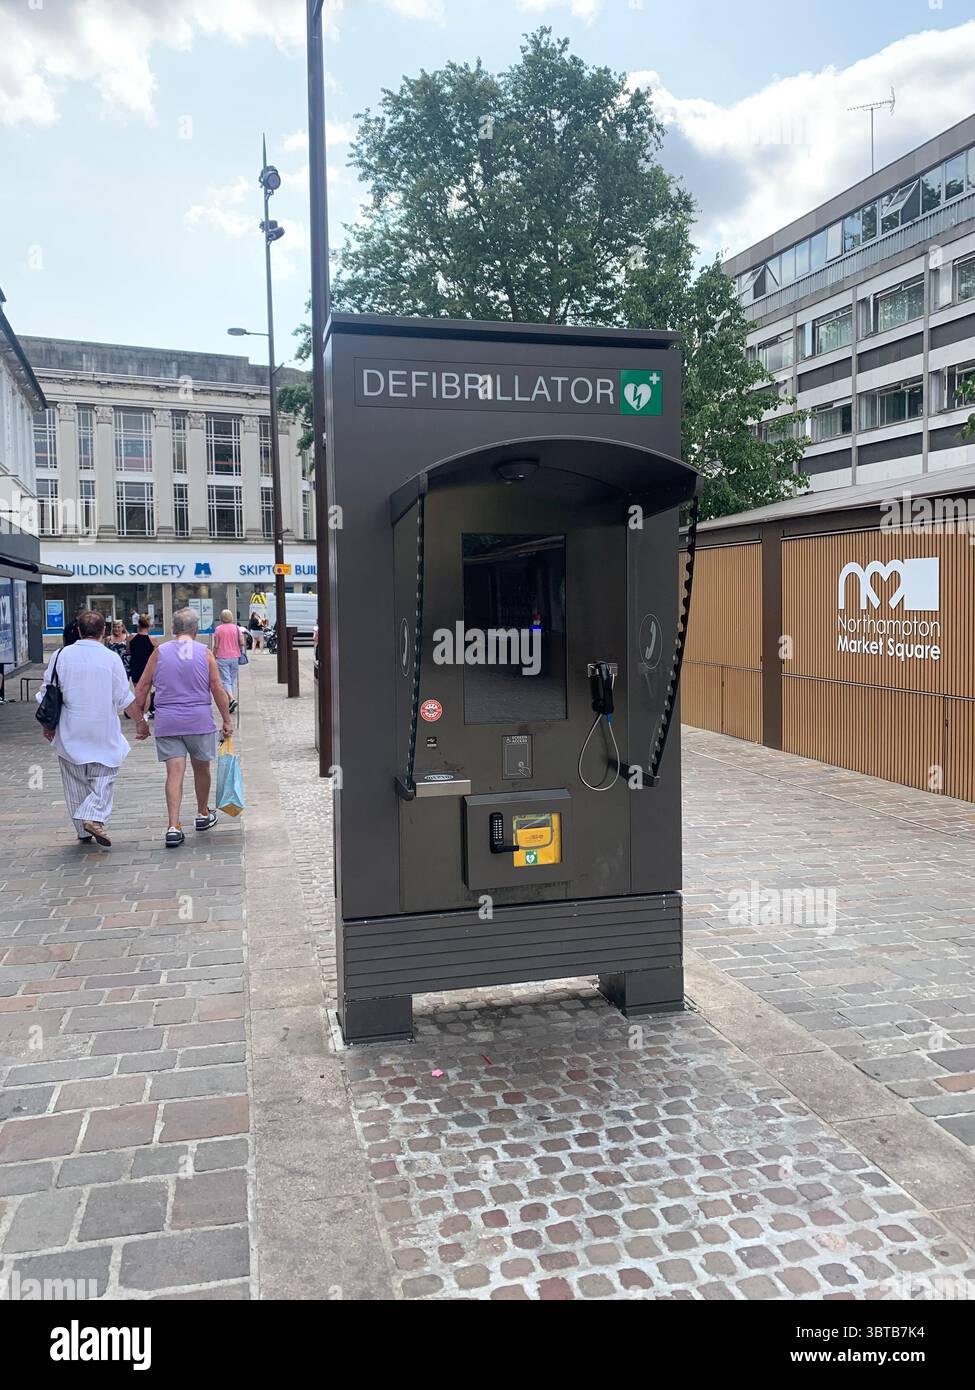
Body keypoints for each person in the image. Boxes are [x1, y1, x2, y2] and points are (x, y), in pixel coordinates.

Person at [36, 609, 148, 847]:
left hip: (69, 728)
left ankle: (83, 830)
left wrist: (48, 726)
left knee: (74, 780)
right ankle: (94, 817)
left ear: (77, 630)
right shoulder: (110, 658)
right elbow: (124, 698)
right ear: (103, 631)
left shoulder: (60, 655)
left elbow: (47, 693)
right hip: (102, 729)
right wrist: (140, 721)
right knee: (105, 776)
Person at [133, 607, 233, 849]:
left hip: (168, 722)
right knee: (202, 769)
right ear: (196, 631)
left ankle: (173, 826)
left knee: (174, 774)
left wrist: (140, 721)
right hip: (198, 720)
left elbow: (142, 687)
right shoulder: (205, 653)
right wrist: (227, 720)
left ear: (173, 630)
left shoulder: (159, 652)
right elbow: (217, 688)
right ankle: (202, 813)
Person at [213, 608, 245, 714]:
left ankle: (231, 699)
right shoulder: (236, 628)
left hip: (222, 657)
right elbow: (242, 642)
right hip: (235, 657)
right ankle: (230, 701)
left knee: (225, 680)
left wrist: (213, 655)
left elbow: (216, 645)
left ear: (221, 618)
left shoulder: (218, 629)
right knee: (231, 680)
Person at [127, 615, 156, 715]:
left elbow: (128, 651)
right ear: (149, 626)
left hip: (135, 666)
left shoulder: (131, 637)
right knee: (147, 692)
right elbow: (156, 656)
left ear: (138, 624)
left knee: (138, 691)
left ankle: (139, 712)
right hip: (147, 668)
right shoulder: (153, 639)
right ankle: (144, 713)